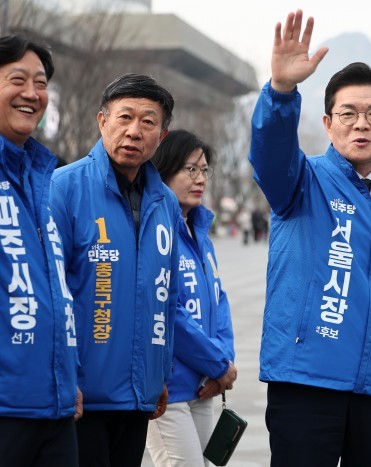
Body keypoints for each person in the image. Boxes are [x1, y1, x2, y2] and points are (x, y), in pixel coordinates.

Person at [249, 10, 371, 467]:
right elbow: (269, 154)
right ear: (329, 124)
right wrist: (281, 92)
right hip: (305, 384)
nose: (361, 124)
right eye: (348, 114)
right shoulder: (301, 179)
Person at [50, 73, 180, 467]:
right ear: (102, 121)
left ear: (162, 134)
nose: (134, 131)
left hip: (138, 396)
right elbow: (51, 291)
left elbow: (166, 294)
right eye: (124, 117)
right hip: (81, 398)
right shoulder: (64, 187)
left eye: (148, 121)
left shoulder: (166, 202)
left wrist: (159, 373)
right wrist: (62, 378)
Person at [0, 34, 80, 467]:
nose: (31, 93)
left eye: (41, 83)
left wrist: (66, 379)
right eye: (18, 80)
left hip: (56, 408)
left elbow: (57, 288)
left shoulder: (45, 179)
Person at [146, 129, 237, 467]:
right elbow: (169, 312)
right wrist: (218, 364)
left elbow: (218, 301)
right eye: (190, 169)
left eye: (204, 170)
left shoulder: (199, 232)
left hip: (204, 384)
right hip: (168, 389)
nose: (200, 179)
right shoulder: (156, 230)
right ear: (165, 170)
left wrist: (223, 363)